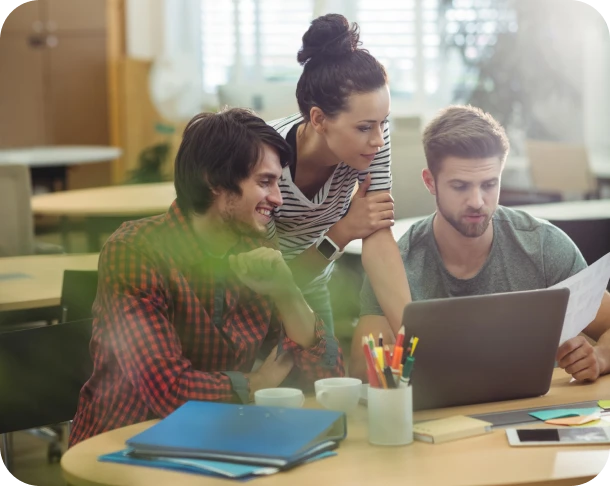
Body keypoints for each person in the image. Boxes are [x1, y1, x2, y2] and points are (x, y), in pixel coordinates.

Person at [69, 108, 344, 446]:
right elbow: (167, 390)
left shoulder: (256, 245)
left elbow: (328, 378)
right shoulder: (136, 251)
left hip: (217, 440)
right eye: (264, 182)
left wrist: (287, 292)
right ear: (214, 181)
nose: (278, 198)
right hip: (124, 447)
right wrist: (255, 384)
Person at [351, 104, 610, 382]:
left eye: (489, 185)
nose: (477, 201)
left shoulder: (543, 246)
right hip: (440, 420)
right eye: (460, 186)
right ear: (430, 182)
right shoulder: (396, 262)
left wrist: (600, 357)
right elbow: (360, 368)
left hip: (533, 412)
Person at [267, 13, 411, 336]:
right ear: (319, 119)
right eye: (364, 127)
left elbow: (377, 234)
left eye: (383, 122)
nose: (378, 139)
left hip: (316, 287)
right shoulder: (265, 160)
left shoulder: (371, 141)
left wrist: (412, 332)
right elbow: (274, 283)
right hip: (257, 301)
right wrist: (343, 230)